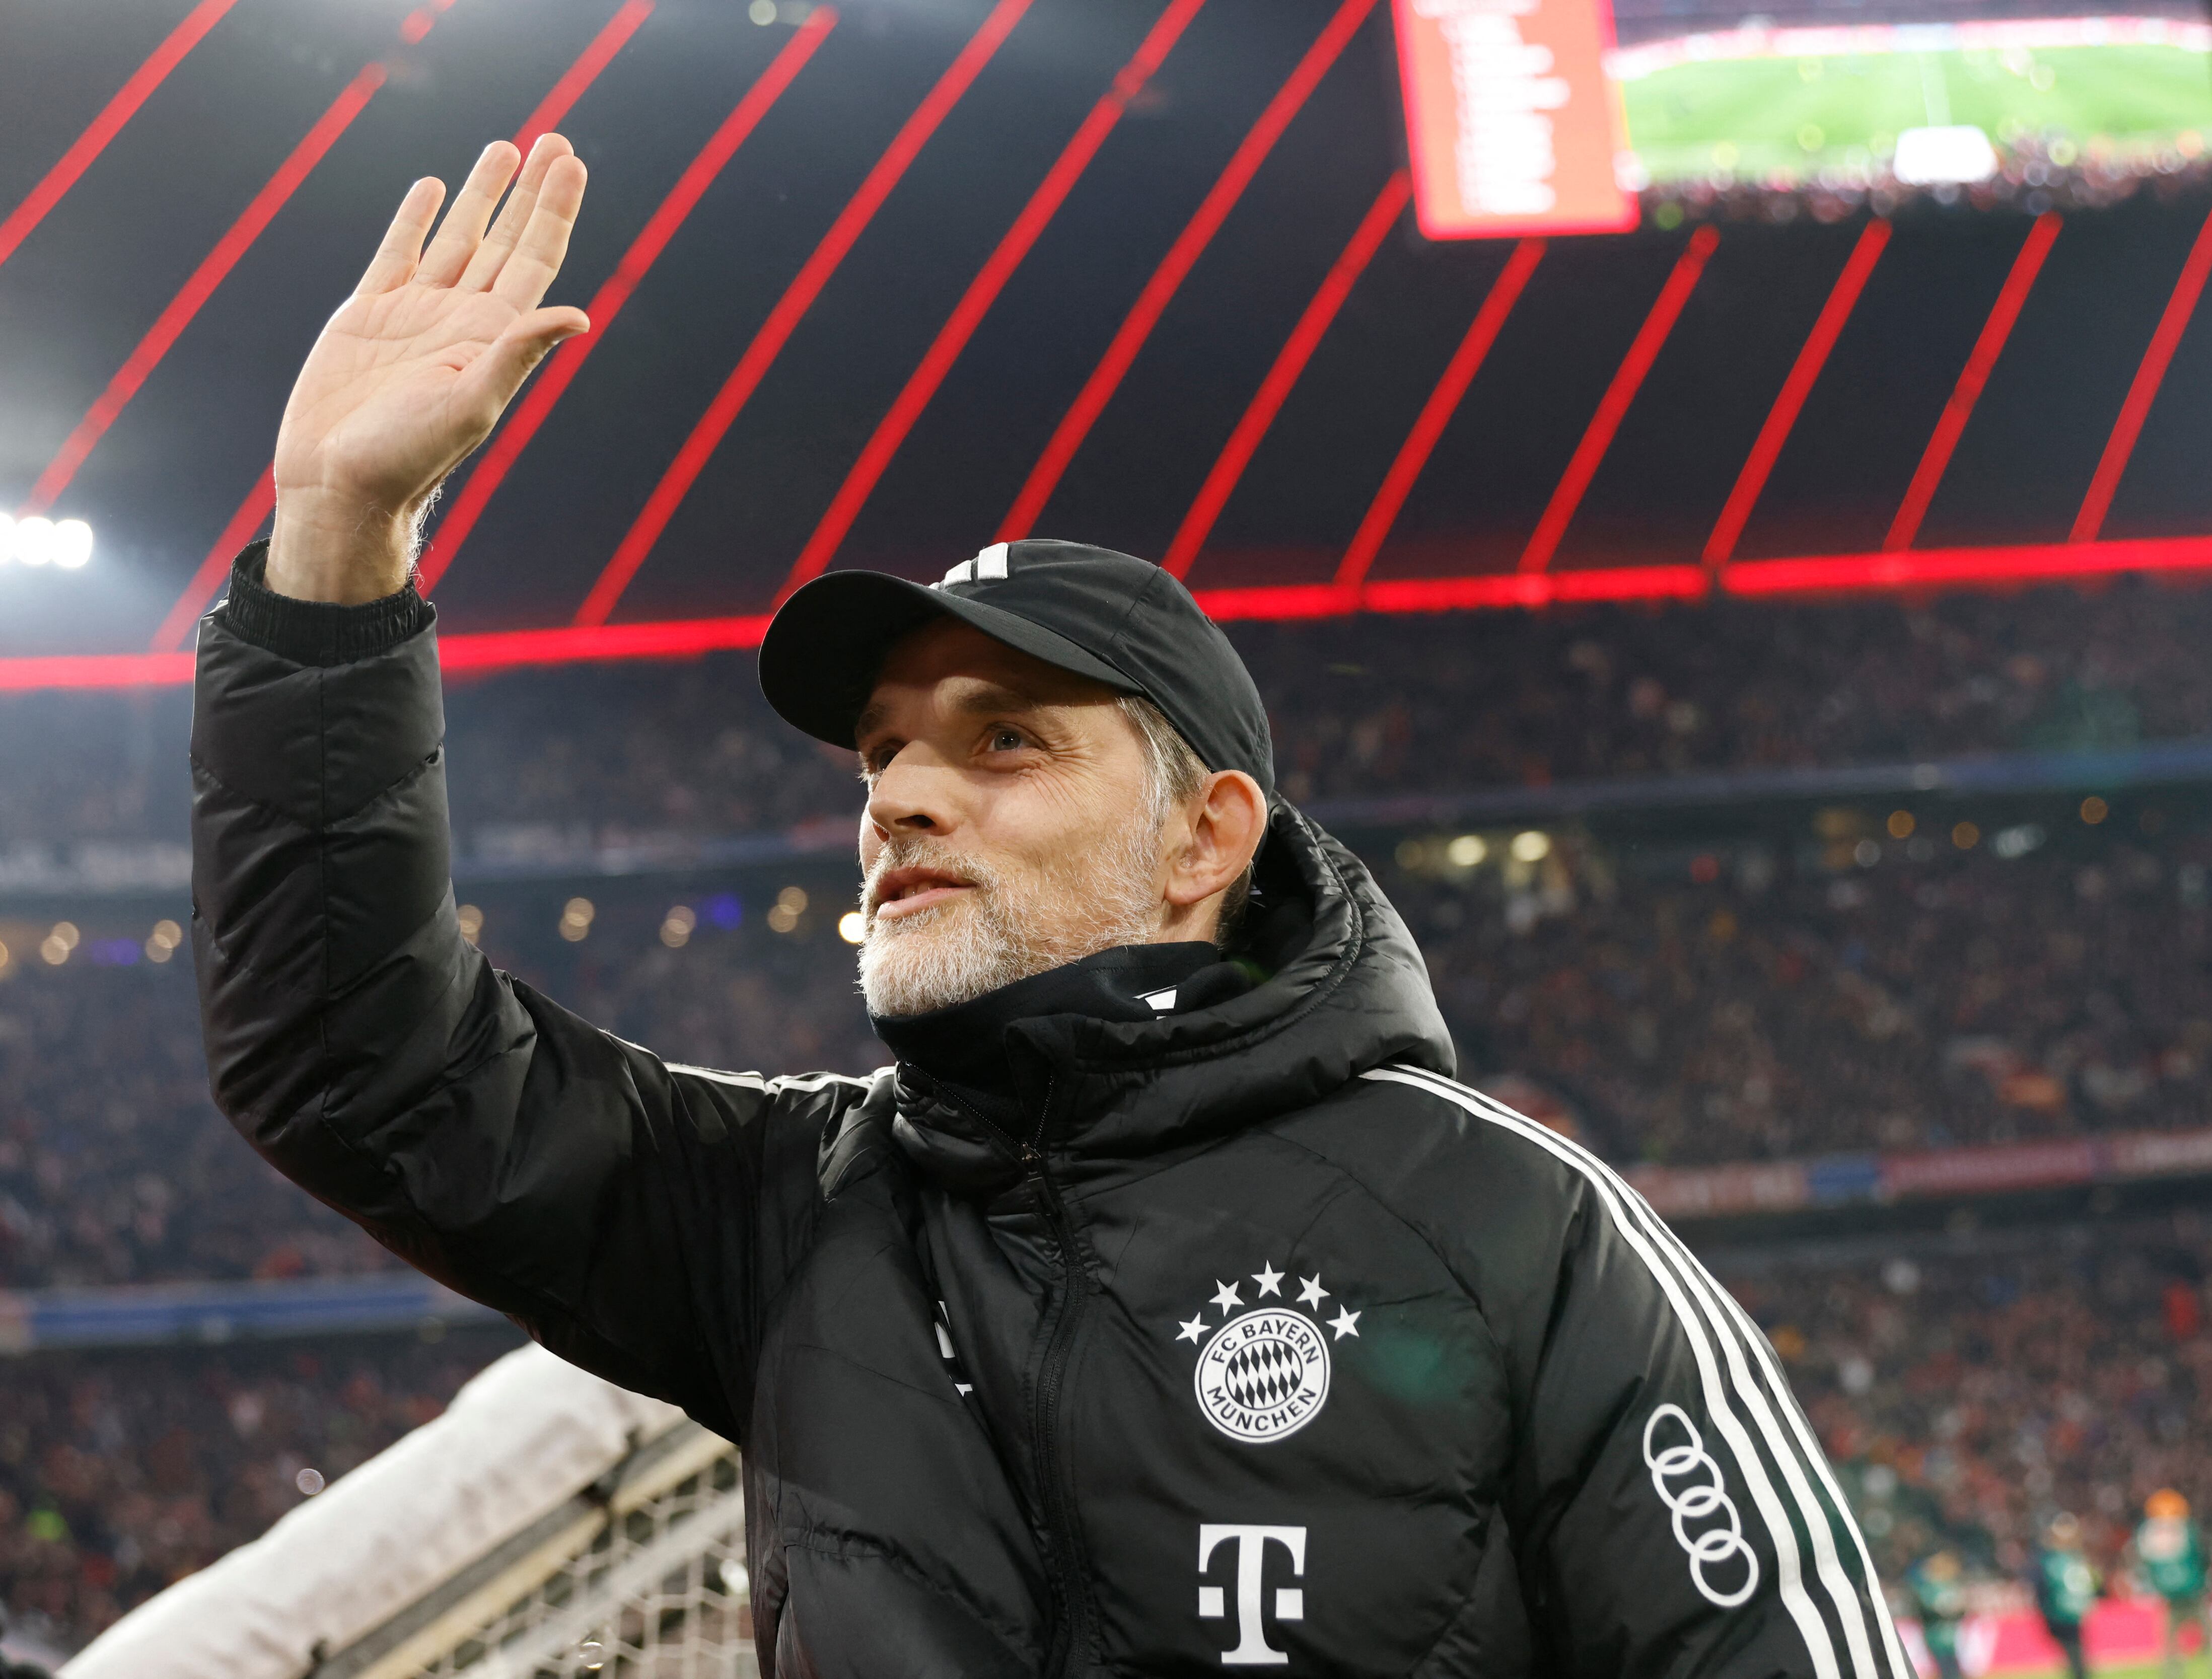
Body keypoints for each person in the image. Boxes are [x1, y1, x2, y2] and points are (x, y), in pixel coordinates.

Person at [186, 133, 1908, 1677]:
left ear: (1202, 837)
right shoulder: (792, 1214)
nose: (902, 796)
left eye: (1005, 740)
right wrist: (337, 543)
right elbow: (356, 1063)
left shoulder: (1516, 1226)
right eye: (880, 755)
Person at [2132, 1490, 2212, 1679]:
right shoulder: (2187, 1530)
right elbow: (2203, 1557)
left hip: (2172, 1598)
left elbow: (2146, 1566)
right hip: (2193, 1594)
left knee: (2171, 1649)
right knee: (2210, 1643)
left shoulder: (2146, 1535)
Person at [2030, 1513, 2098, 1679]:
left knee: (2075, 1653)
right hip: (2062, 1614)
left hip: (2068, 1614)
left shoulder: (2063, 1558)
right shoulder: (2056, 1560)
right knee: (2074, 1652)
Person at [1907, 1548, 1968, 1679]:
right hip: (1936, 1637)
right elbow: (1928, 1610)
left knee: (1951, 1668)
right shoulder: (1929, 1589)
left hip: (1949, 1637)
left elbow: (1960, 1609)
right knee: (1948, 1669)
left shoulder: (1948, 1586)